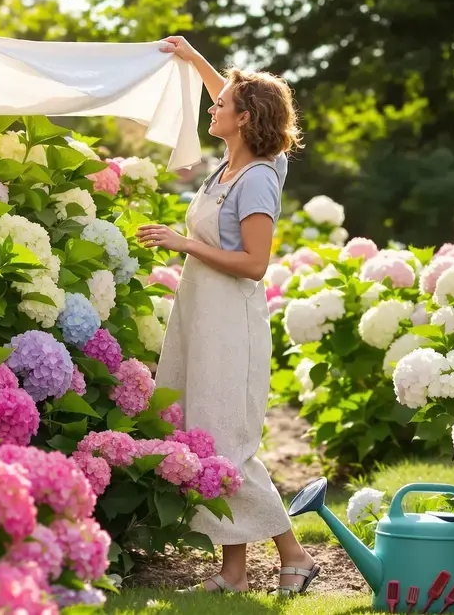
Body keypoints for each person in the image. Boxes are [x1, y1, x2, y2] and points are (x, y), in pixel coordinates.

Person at [135, 36, 318, 596]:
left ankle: (294, 553)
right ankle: (233, 574)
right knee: (205, 438)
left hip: (229, 325)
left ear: (243, 120)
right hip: (200, 316)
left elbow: (255, 264)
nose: (212, 107)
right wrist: (193, 57)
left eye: (221, 106)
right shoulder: (233, 165)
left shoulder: (260, 176)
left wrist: (181, 243)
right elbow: (231, 94)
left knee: (225, 445)